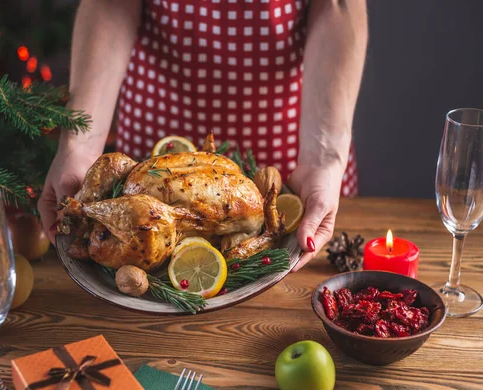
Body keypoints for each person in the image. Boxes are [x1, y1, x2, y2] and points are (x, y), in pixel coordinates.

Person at [40, 0, 368, 270]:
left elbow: (337, 4)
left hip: (291, 137)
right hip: (155, 118)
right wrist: (79, 144)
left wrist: (324, 157)